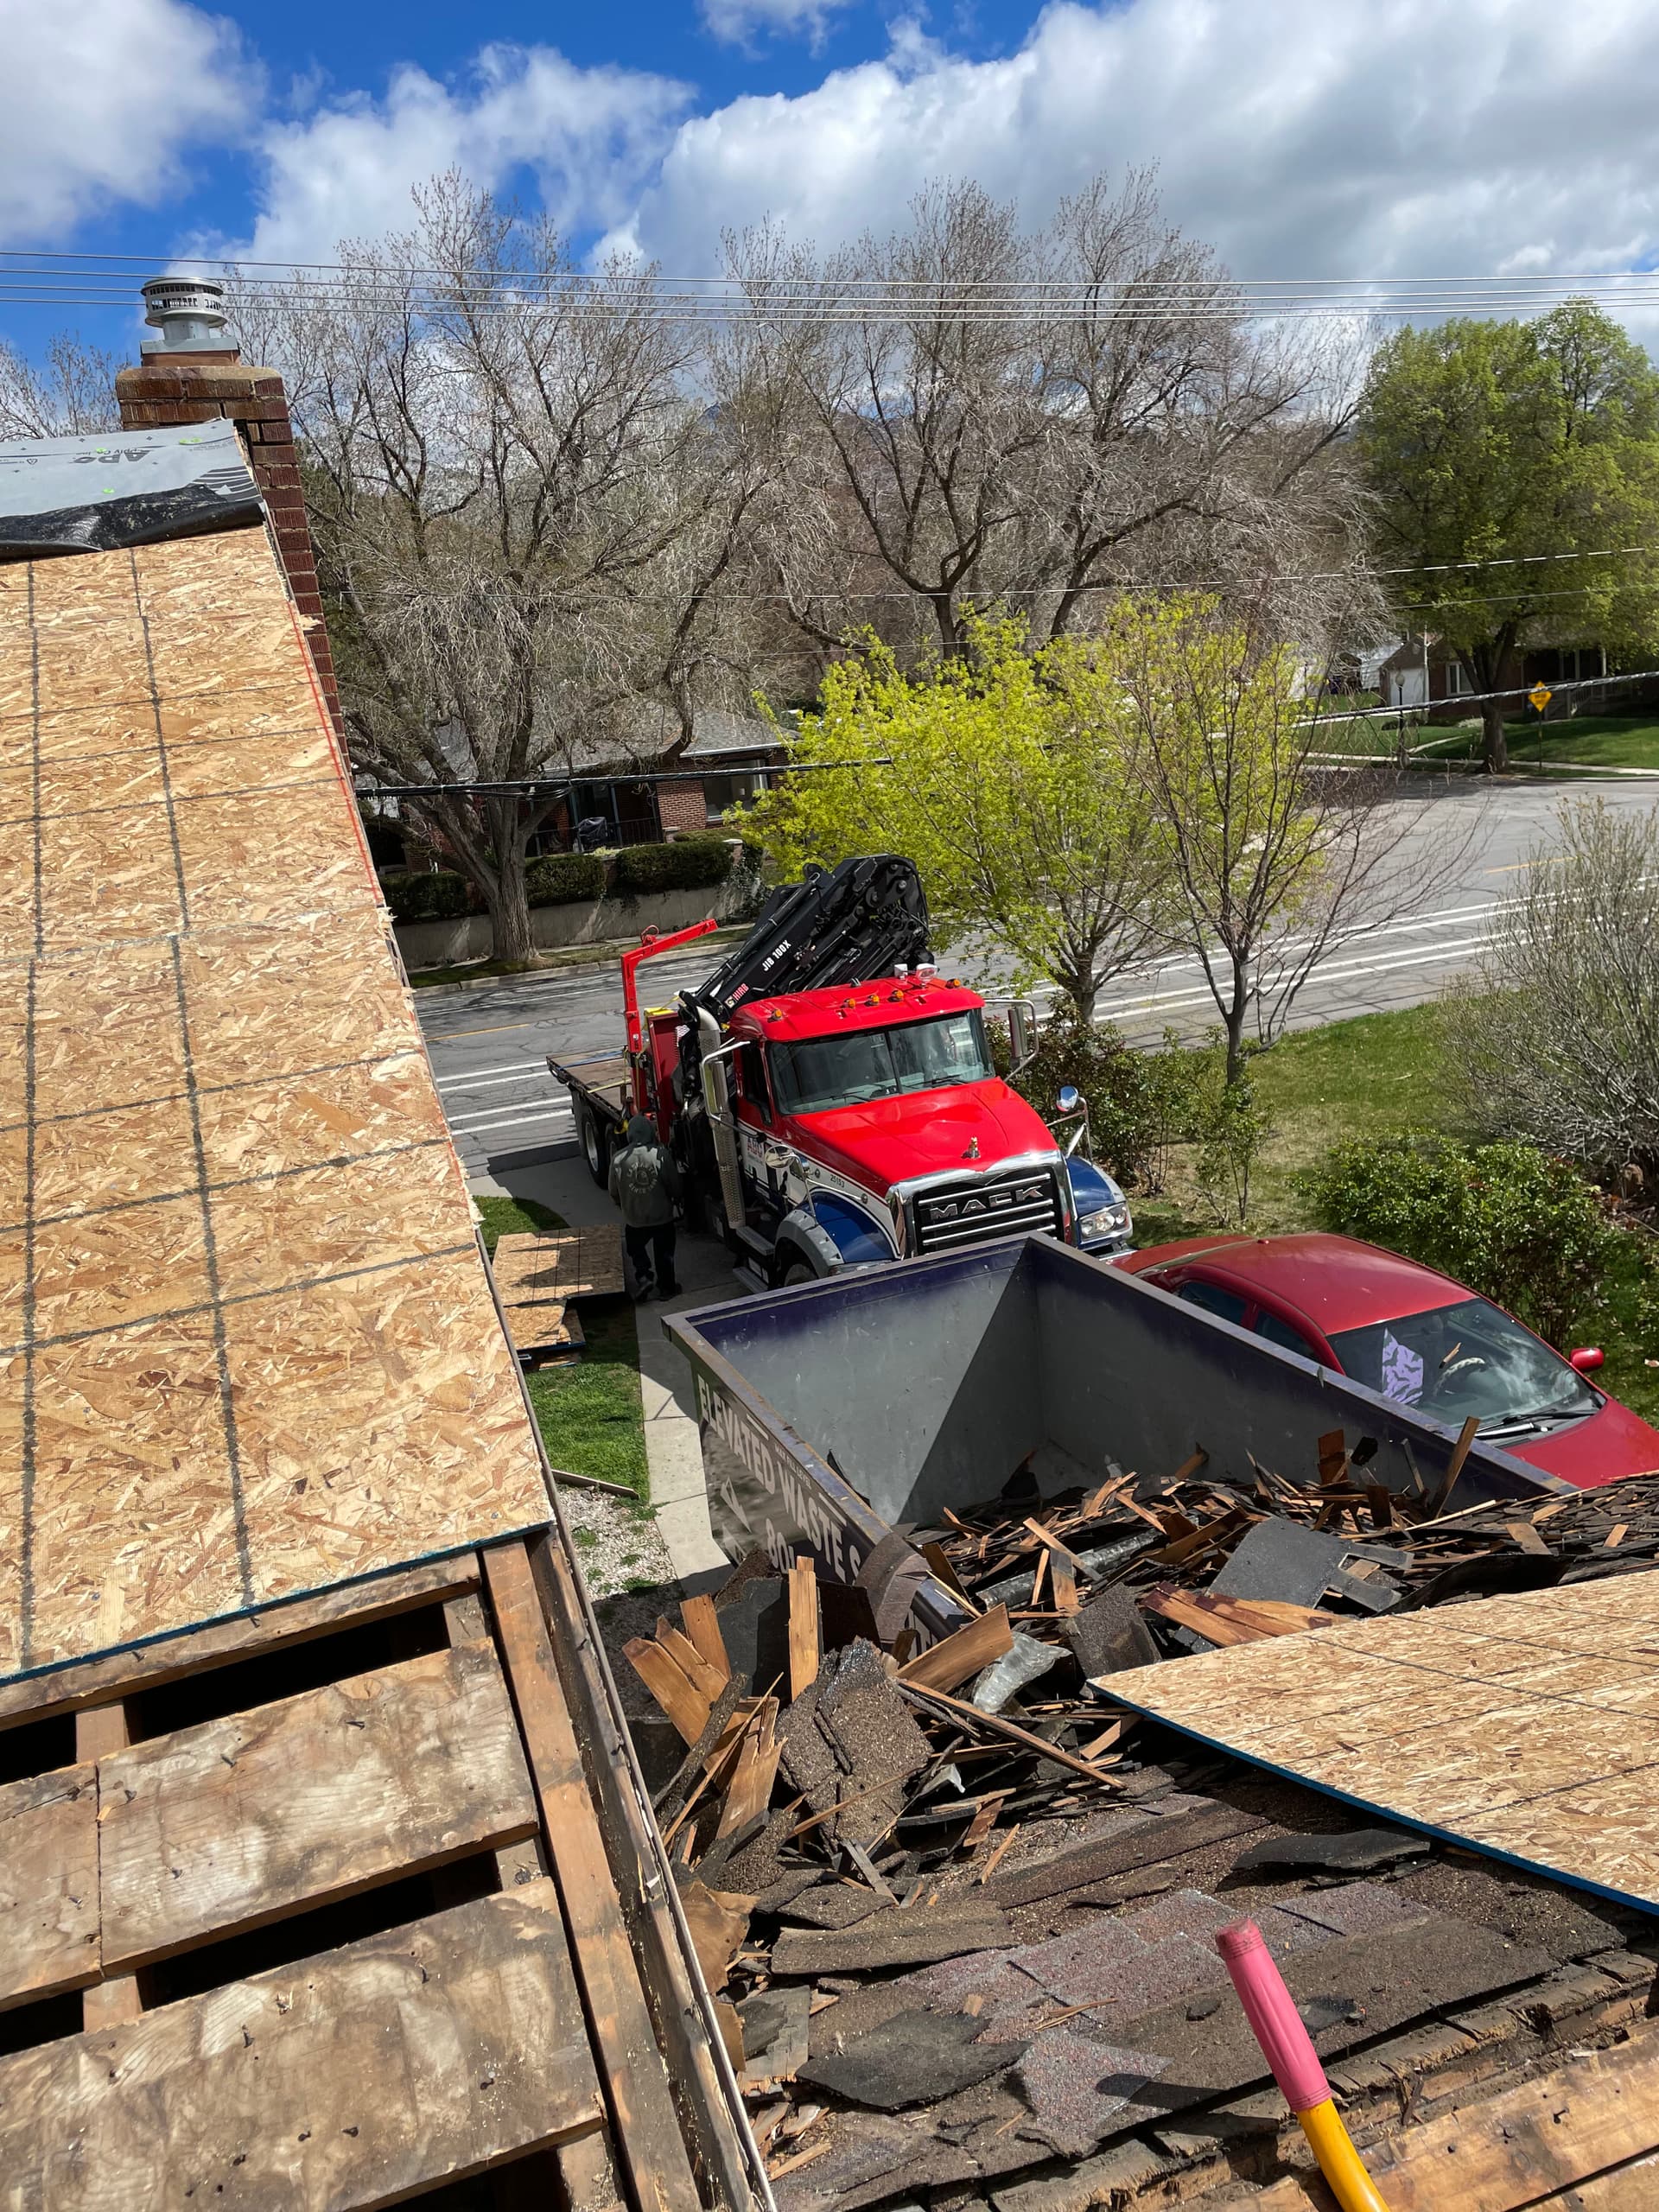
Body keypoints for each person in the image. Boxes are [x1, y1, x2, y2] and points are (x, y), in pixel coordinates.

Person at [608, 1112, 683, 1299]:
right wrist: (676, 1198)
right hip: (661, 1217)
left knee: (635, 1249)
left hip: (635, 1220)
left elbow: (613, 1191)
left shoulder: (617, 1160)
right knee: (665, 1253)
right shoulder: (660, 1155)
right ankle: (667, 1288)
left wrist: (623, 1205)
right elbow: (673, 1185)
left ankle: (643, 1276)